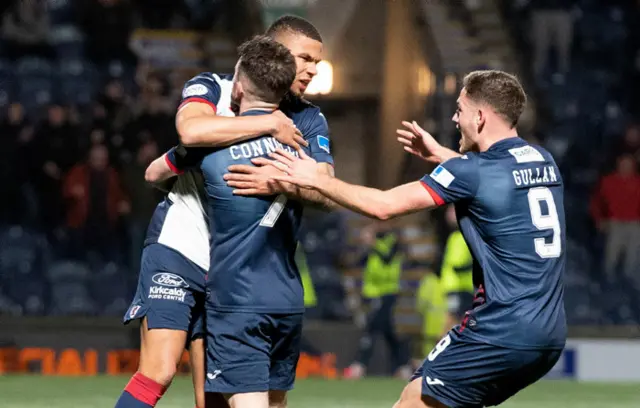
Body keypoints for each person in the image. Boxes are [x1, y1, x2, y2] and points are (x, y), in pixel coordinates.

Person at [266, 70, 567, 408]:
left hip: (500, 331)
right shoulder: (544, 160)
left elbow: (383, 206)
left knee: (414, 399)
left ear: (480, 117)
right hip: (549, 334)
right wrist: (442, 156)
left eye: (460, 109)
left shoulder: (468, 171)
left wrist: (315, 179)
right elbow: (493, 174)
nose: (454, 118)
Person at [115, 15, 332, 408]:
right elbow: (191, 132)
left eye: (317, 61)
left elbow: (326, 187)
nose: (314, 70)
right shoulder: (214, 87)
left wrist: (281, 180)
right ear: (275, 53)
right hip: (179, 249)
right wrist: (268, 124)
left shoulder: (309, 117)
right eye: (305, 59)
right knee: (159, 371)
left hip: (232, 273)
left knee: (210, 400)